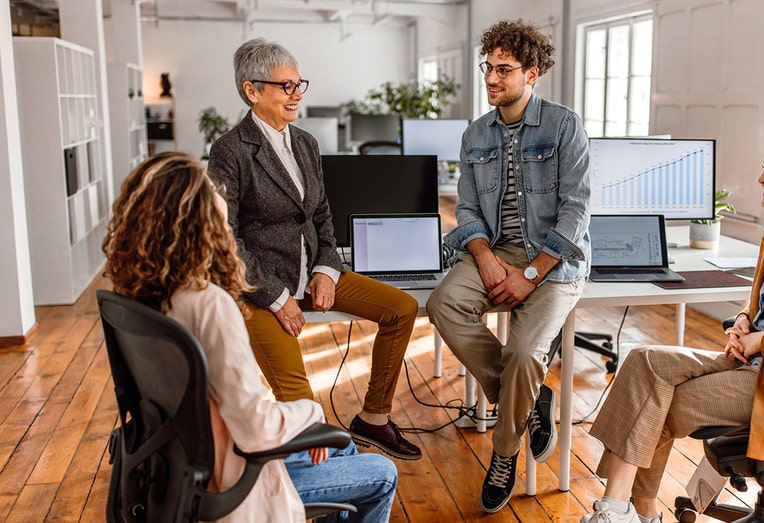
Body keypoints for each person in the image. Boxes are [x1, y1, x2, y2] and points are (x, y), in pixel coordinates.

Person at [580, 131, 764, 523]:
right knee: (643, 361)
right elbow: (760, 305)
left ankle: (631, 511)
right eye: (763, 168)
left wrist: (763, 340)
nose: (762, 178)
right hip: (754, 365)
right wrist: (742, 323)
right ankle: (624, 510)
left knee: (659, 403)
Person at [102, 152, 397, 523]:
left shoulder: (138, 292)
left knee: (341, 445)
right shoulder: (208, 304)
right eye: (215, 194)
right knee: (382, 473)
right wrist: (312, 411)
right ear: (200, 220)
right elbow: (257, 430)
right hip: (234, 478)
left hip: (180, 464)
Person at [207, 38, 422, 461]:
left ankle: (374, 419)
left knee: (402, 308)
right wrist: (277, 296)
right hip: (260, 287)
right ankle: (324, 487)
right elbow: (224, 239)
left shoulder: (305, 142)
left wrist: (327, 267)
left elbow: (321, 213)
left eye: (298, 84)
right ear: (252, 90)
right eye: (285, 86)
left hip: (312, 271)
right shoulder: (230, 150)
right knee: (305, 409)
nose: (297, 95)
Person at [426, 19, 592, 513]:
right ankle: (529, 401)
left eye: (504, 69)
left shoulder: (564, 125)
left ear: (532, 74)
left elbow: (576, 209)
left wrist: (531, 273)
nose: (491, 78)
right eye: (488, 67)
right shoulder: (476, 134)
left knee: (524, 355)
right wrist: (486, 258)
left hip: (554, 261)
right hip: (494, 252)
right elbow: (468, 208)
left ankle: (504, 450)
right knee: (443, 304)